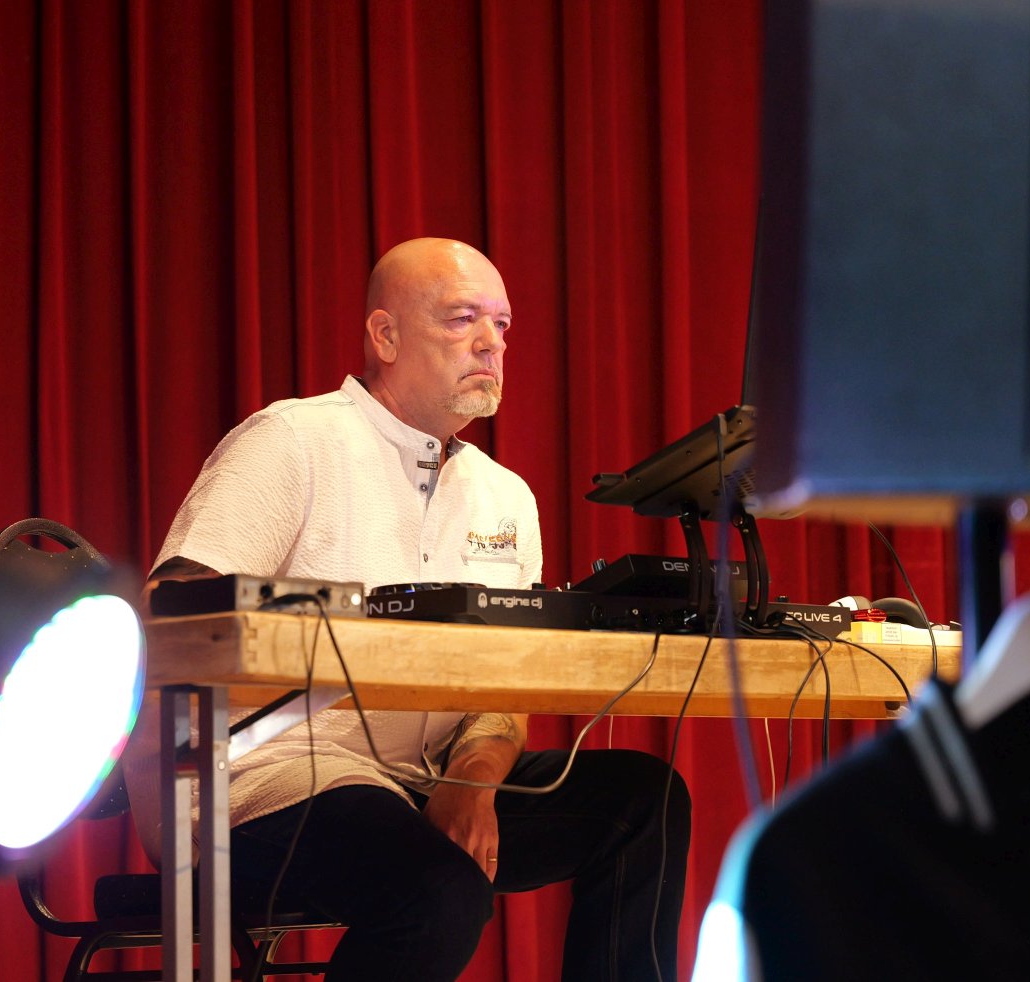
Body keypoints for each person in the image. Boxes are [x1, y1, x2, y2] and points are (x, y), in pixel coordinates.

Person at [133, 238, 691, 981]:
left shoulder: (506, 496)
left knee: (643, 802)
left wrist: (473, 778)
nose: (491, 343)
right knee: (438, 890)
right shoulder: (292, 442)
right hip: (263, 777)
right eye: (463, 319)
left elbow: (504, 690)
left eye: (502, 324)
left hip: (423, 778)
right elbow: (172, 618)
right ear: (385, 336)